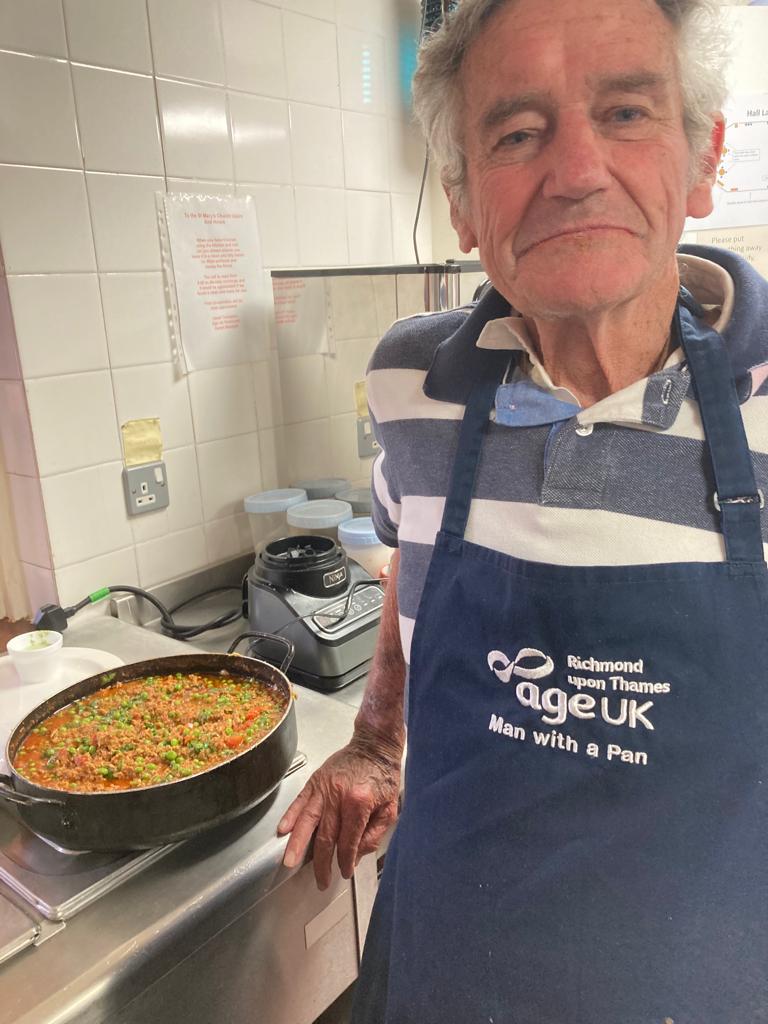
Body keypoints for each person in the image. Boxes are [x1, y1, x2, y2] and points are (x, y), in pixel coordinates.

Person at [279, 0, 768, 1019]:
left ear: (701, 158)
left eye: (627, 112)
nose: (577, 169)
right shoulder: (410, 382)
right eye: (517, 132)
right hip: (439, 973)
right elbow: (412, 553)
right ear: (462, 201)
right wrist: (376, 736)